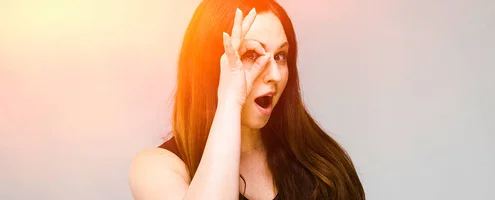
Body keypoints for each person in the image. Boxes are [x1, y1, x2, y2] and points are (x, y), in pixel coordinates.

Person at [128, 0, 365, 199]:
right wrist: (230, 100)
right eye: (251, 55)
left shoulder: (321, 163)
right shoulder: (155, 168)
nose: (274, 75)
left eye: (281, 56)